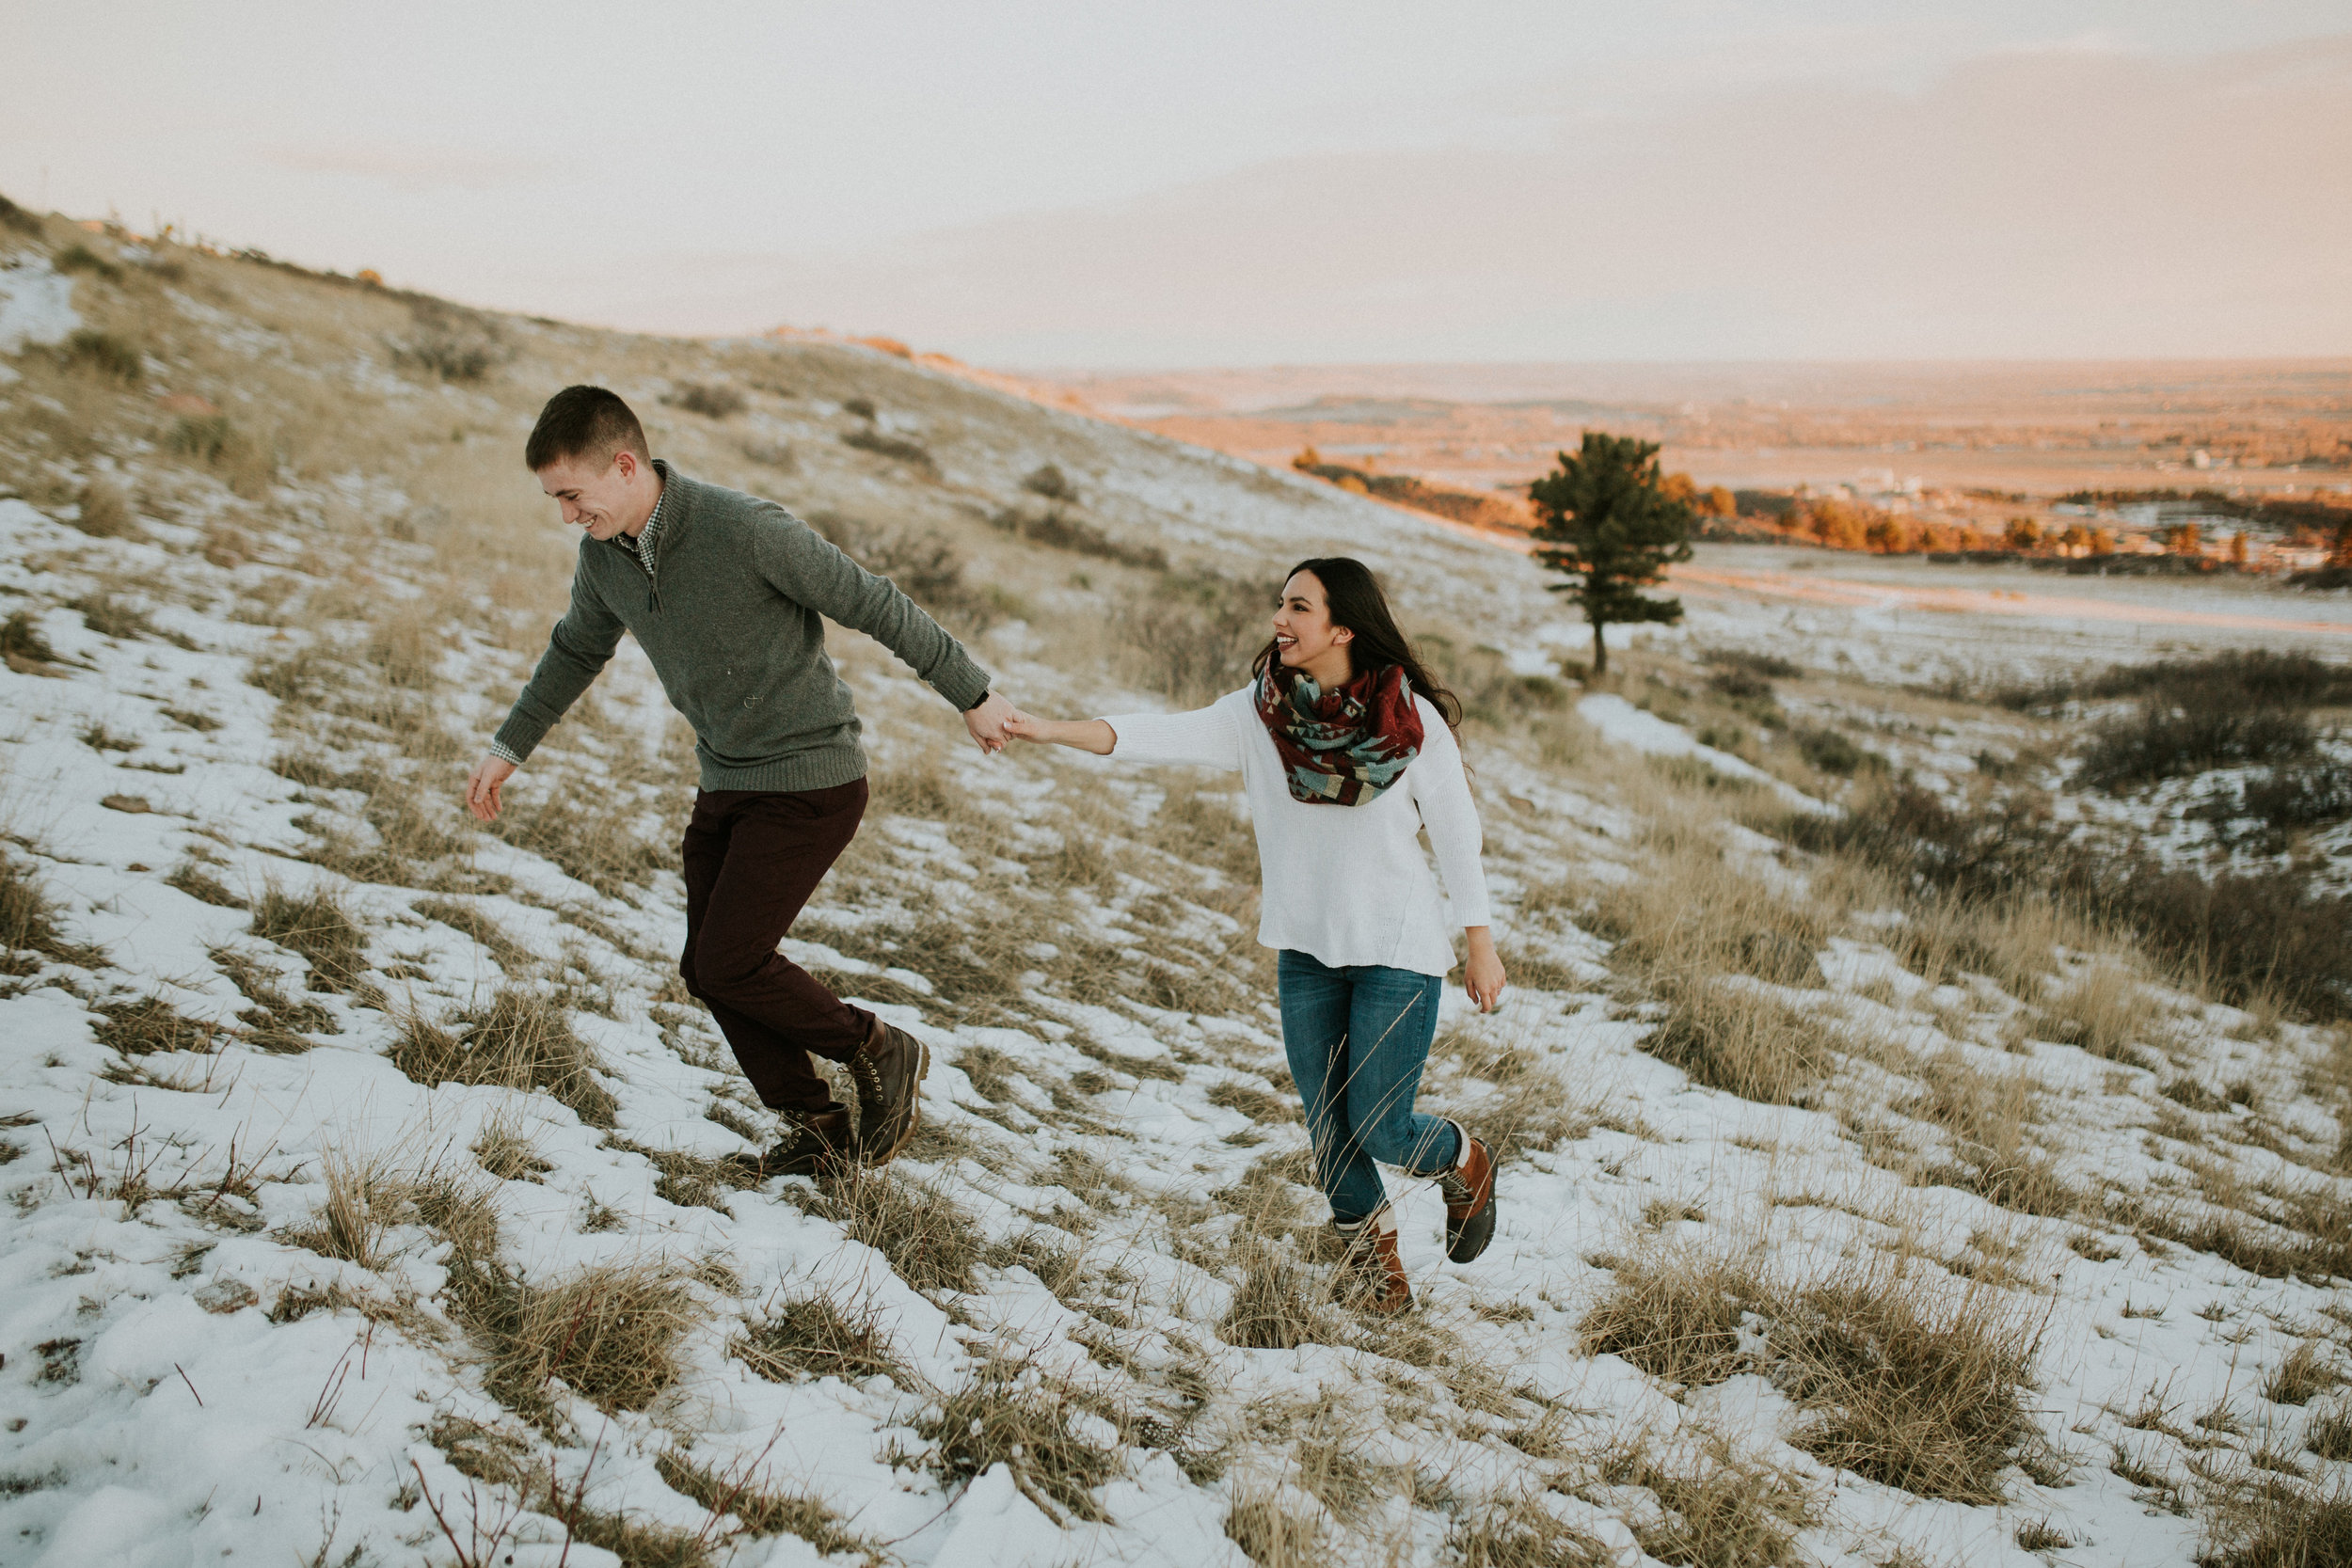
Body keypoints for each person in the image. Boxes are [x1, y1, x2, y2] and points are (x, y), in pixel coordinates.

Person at [464, 385, 1016, 1177]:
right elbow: (577, 649)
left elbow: (874, 603)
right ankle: (817, 1123)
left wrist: (972, 692)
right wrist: (510, 746)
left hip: (811, 781)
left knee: (729, 960)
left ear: (624, 466)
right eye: (555, 499)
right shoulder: (604, 558)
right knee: (708, 968)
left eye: (572, 496)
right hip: (725, 777)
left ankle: (877, 1046)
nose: (566, 515)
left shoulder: (748, 530)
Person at [1004, 557, 1503, 1313]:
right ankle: (1378, 1275)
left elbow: (1459, 835)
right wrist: (1045, 729)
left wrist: (1480, 942)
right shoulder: (1260, 713)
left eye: (1298, 607)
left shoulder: (1410, 722)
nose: (1279, 619)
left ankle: (1464, 1160)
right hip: (1305, 951)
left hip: (1396, 952)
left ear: (1343, 628)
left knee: (1380, 1125)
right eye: (1280, 602)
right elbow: (1158, 734)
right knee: (1328, 1126)